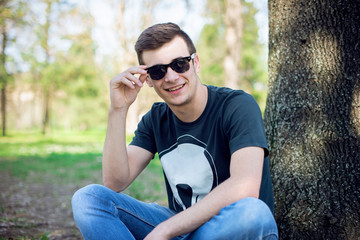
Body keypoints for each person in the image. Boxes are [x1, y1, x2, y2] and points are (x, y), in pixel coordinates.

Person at [72, 22, 278, 240]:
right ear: (148, 79)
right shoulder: (156, 118)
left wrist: (163, 231)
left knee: (254, 213)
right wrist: (118, 109)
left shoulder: (237, 105)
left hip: (227, 228)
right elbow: (115, 182)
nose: (171, 77)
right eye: (158, 71)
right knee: (89, 198)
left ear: (195, 63)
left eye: (180, 64)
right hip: (181, 231)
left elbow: (245, 186)